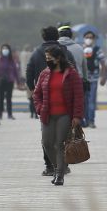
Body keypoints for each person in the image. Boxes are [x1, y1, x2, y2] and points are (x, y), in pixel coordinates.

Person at [25, 26, 77, 177]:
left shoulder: (36, 53)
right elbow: (75, 73)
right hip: (62, 103)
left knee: (47, 138)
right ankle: (62, 165)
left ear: (43, 37)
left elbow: (29, 73)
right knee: (61, 139)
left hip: (47, 103)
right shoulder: (66, 52)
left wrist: (34, 91)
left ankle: (50, 166)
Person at [33, 46, 84, 186]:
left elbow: (79, 96)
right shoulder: (44, 73)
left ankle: (60, 174)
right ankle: (57, 168)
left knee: (59, 144)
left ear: (59, 58)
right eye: (46, 58)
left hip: (65, 115)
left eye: (50, 58)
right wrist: (39, 108)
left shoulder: (71, 74)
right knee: (46, 143)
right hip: (47, 114)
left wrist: (77, 116)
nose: (47, 60)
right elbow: (36, 94)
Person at [81, 31, 105, 128]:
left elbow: (103, 64)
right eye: (87, 37)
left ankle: (91, 121)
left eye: (91, 37)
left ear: (94, 39)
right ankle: (85, 120)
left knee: (91, 101)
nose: (89, 39)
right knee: (83, 101)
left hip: (94, 79)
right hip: (82, 79)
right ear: (83, 38)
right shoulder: (80, 49)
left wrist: (103, 76)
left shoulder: (98, 50)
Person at [58, 25, 88, 95]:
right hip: (77, 81)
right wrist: (85, 80)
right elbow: (84, 67)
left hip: (59, 81)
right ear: (71, 36)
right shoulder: (79, 48)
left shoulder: (54, 47)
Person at [0, 43, 19, 120]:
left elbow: (15, 71)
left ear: (9, 50)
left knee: (9, 98)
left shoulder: (12, 60)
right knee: (1, 98)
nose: (5, 50)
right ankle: (0, 114)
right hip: (1, 81)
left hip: (10, 81)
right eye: (3, 49)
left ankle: (10, 114)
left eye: (6, 49)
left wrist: (18, 81)